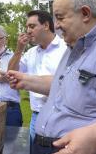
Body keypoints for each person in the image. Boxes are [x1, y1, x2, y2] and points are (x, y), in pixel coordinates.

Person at [7, 0, 96, 154]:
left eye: (60, 17)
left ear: (85, 13)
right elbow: (68, 86)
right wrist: (27, 81)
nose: (56, 26)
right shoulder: (75, 46)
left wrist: (95, 138)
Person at [8, 10, 67, 153]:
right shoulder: (30, 53)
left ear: (46, 25)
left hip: (60, 115)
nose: (28, 31)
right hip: (36, 116)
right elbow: (11, 72)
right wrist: (19, 49)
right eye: (27, 27)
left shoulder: (66, 48)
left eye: (32, 26)